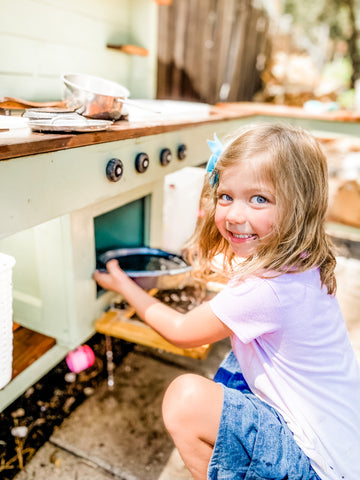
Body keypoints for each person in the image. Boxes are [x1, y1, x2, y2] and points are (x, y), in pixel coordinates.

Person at [93, 123, 360, 480]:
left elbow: (180, 330)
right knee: (242, 355)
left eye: (259, 199)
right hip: (344, 441)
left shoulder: (266, 291)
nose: (234, 214)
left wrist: (124, 284)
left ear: (299, 206)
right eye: (226, 196)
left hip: (317, 466)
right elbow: (241, 272)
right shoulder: (304, 257)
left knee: (185, 399)